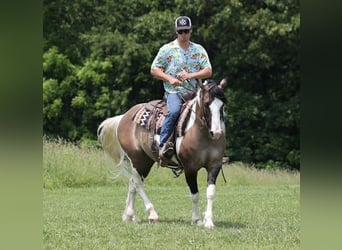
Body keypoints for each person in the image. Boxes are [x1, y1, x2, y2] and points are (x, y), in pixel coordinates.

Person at [150, 16, 212, 165]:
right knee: (174, 111)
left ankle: (216, 147)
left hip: (196, 91)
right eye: (180, 31)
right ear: (176, 32)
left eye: (186, 31)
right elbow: (154, 69)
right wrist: (169, 79)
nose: (183, 34)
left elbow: (208, 70)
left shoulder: (198, 49)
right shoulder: (167, 49)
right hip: (174, 91)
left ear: (191, 31)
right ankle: (163, 145)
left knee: (215, 109)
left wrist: (191, 75)